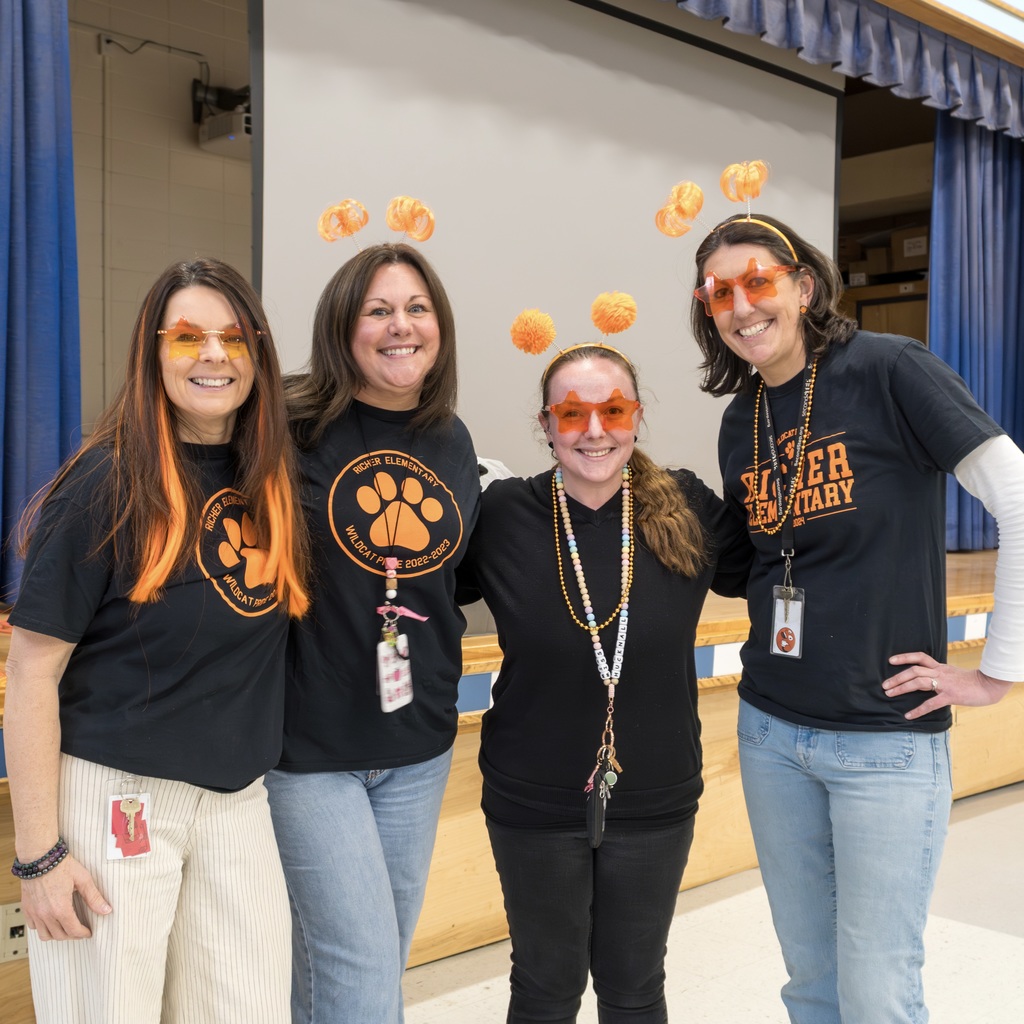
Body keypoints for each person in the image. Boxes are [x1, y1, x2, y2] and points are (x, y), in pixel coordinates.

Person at [690, 212, 1024, 1024]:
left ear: (804, 287)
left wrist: (998, 672)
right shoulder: (743, 419)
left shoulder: (888, 369)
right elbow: (757, 563)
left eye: (758, 282)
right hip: (771, 732)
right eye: (719, 292)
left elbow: (1016, 494)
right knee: (810, 983)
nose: (741, 306)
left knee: (876, 992)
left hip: (886, 740)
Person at [4, 257, 310, 1024]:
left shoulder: (269, 480)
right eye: (187, 336)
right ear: (153, 352)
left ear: (259, 355)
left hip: (237, 802)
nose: (212, 354)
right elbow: (31, 672)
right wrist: (39, 853)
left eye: (233, 337)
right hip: (117, 800)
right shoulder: (104, 482)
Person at [456, 342, 751, 1023]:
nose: (594, 430)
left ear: (637, 416)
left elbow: (780, 562)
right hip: (532, 796)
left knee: (635, 987)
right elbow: (418, 586)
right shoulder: (502, 515)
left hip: (655, 794)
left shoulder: (686, 506)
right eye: (573, 413)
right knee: (544, 986)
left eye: (613, 410)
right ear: (546, 423)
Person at [265, 242, 480, 1024]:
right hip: (309, 746)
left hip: (418, 742)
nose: (402, 326)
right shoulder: (288, 424)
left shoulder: (450, 440)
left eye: (417, 308)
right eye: (378, 310)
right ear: (342, 326)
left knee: (366, 956)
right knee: (354, 968)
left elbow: (451, 578)